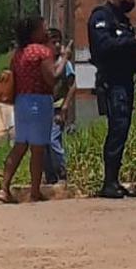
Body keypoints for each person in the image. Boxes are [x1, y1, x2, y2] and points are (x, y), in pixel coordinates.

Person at [0, 17, 71, 202]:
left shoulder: (18, 53)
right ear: (34, 32)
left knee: (20, 145)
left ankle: (4, 188)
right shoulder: (42, 52)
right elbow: (53, 77)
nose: (47, 30)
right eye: (43, 27)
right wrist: (64, 58)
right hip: (40, 102)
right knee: (37, 149)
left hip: (21, 101)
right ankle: (35, 190)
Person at [88, 0, 136, 198]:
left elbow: (127, 50)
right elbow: (104, 47)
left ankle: (114, 180)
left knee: (122, 131)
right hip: (112, 83)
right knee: (117, 129)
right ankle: (108, 183)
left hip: (125, 81)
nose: (131, 3)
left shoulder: (123, 20)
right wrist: (134, 41)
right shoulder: (101, 17)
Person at [44, 28, 76, 184]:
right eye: (53, 42)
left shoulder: (64, 64)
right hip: (44, 109)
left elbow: (72, 85)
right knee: (43, 144)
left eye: (59, 42)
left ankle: (62, 173)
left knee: (53, 141)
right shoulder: (45, 63)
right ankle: (50, 177)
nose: (57, 45)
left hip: (57, 109)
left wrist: (65, 107)